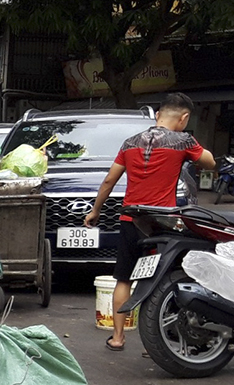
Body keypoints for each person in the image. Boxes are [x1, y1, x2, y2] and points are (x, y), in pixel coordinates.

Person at [84, 92, 216, 352]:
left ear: (157, 115)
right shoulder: (183, 141)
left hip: (130, 219)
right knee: (164, 281)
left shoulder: (130, 142)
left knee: (123, 279)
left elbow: (110, 180)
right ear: (184, 118)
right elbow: (209, 163)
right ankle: (160, 342)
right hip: (160, 224)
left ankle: (118, 337)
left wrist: (95, 211)